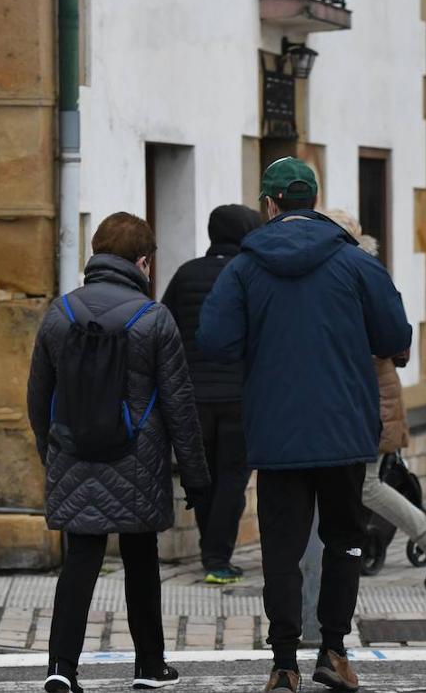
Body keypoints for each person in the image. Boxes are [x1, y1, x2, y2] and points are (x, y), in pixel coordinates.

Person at [196, 159, 413, 693]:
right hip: (344, 429)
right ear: (313, 200)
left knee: (281, 550)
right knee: (345, 541)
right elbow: (395, 335)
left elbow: (214, 341)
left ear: (270, 205)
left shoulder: (244, 268)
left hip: (275, 432)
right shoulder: (356, 264)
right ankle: (334, 652)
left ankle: (284, 663)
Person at [26, 212, 211, 693]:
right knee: (141, 558)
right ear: (144, 261)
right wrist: (195, 477)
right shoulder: (154, 319)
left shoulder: (59, 313)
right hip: (137, 459)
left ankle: (61, 667)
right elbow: (178, 404)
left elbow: (37, 396)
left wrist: (54, 452)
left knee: (81, 559)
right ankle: (150, 666)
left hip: (73, 452)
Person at [319, 208, 426, 590]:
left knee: (365, 484)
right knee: (356, 484)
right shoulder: (359, 271)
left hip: (371, 395)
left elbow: (398, 342)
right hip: (365, 394)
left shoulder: (359, 275)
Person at [161, 204, 263, 585]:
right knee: (233, 478)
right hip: (240, 397)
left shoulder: (186, 274)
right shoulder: (250, 274)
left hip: (192, 399)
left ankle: (211, 550)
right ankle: (217, 557)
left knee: (201, 477)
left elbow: (165, 329)